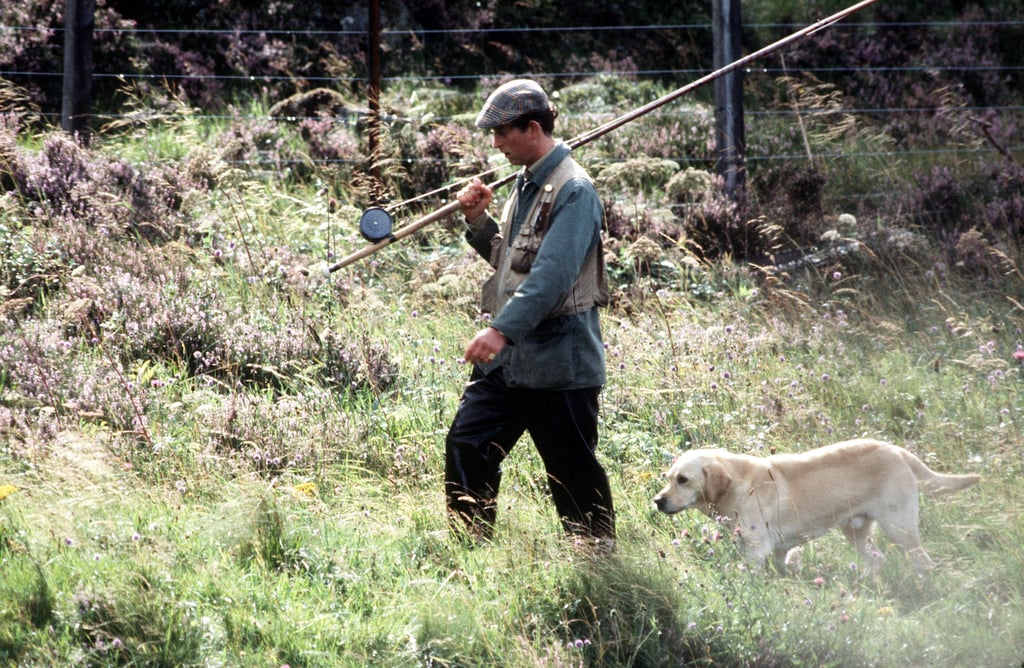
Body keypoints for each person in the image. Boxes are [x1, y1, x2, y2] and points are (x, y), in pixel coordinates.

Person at [444, 78, 615, 544]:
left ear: (533, 128)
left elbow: (550, 280)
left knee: (571, 472)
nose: (495, 145)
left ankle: (598, 561)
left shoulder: (574, 190)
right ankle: (471, 549)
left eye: (502, 134)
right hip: (512, 363)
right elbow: (512, 264)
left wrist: (499, 331)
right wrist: (478, 222)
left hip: (561, 363)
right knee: (468, 445)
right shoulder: (527, 182)